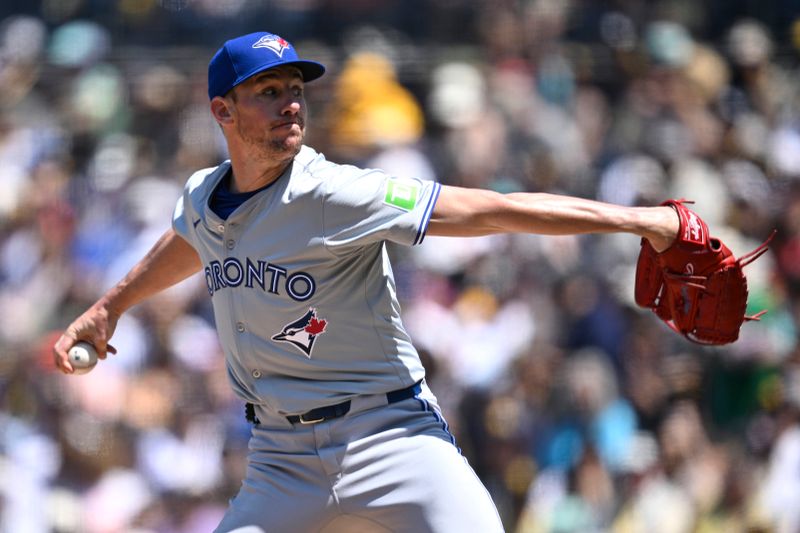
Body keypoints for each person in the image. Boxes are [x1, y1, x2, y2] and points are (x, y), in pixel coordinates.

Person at [53, 31, 679, 532]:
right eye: (267, 92)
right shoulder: (201, 195)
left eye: (295, 88)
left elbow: (489, 208)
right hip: (279, 459)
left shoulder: (334, 193)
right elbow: (191, 235)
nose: (290, 103)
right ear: (222, 110)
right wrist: (111, 307)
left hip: (390, 436)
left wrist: (637, 221)